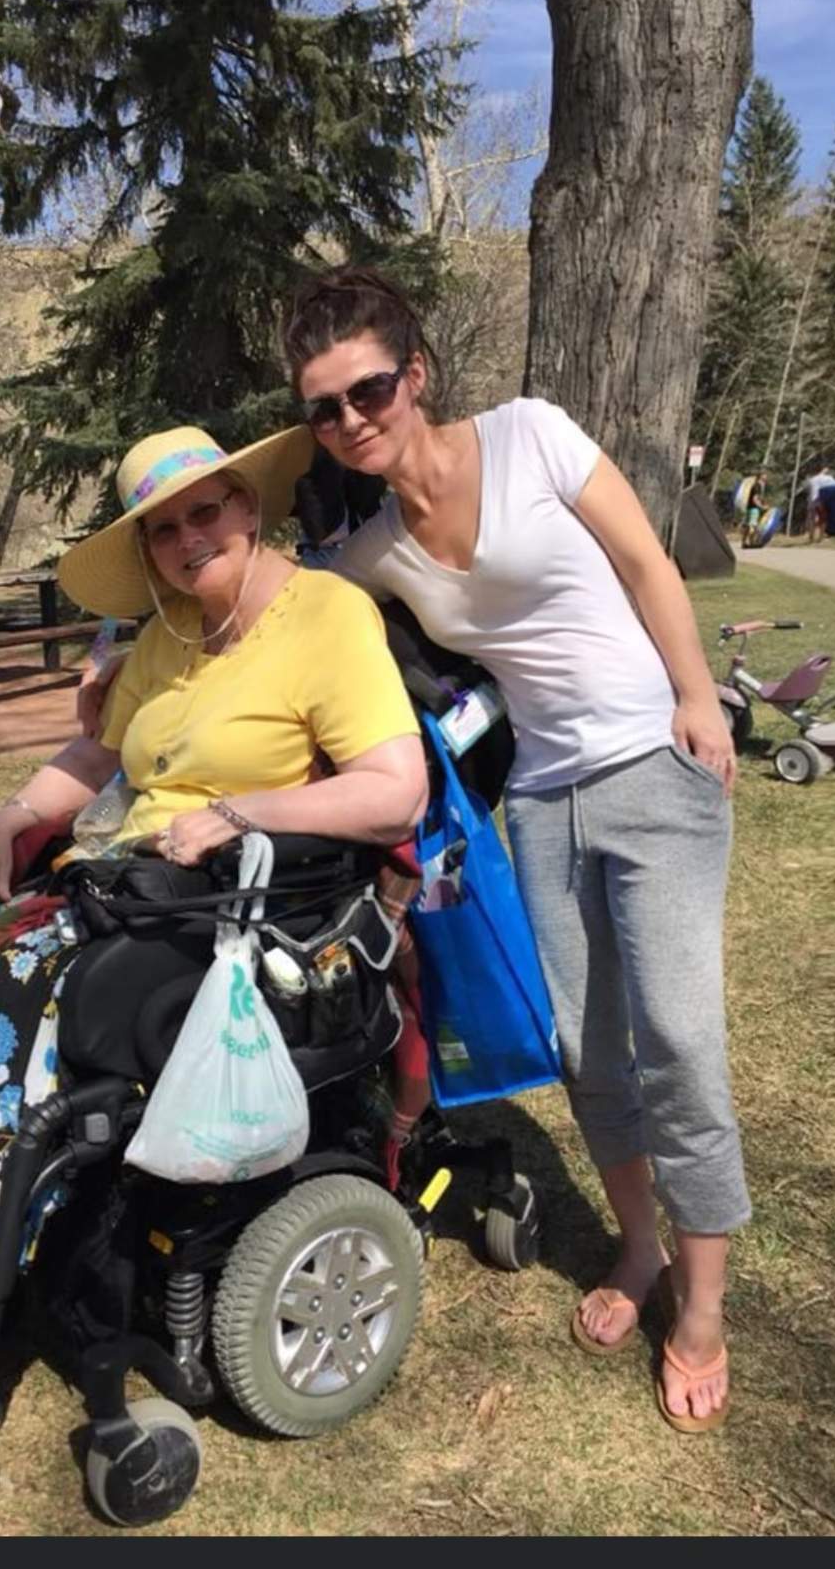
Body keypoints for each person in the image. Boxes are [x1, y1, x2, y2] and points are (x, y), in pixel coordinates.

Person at [0, 421, 426, 1420]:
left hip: (248, 920)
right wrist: (7, 821)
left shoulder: (326, 615)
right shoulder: (170, 635)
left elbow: (395, 794)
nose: (188, 539)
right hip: (135, 891)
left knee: (14, 985)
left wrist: (239, 812)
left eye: (205, 511)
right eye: (163, 529)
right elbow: (95, 760)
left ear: (248, 506)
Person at [280, 266, 749, 1435]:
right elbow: (272, 593)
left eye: (368, 389)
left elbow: (649, 563)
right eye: (323, 409)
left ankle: (700, 1309)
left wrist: (697, 697)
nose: (350, 422)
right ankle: (638, 1248)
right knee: (586, 1048)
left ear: (416, 375)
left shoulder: (532, 434)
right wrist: (113, 646)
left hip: (655, 766)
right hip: (539, 804)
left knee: (681, 1042)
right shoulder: (378, 545)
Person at [739, 469, 770, 548]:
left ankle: (744, 543)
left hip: (749, 507)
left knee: (747, 526)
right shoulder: (758, 486)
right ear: (761, 476)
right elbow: (755, 498)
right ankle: (751, 542)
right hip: (754, 509)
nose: (766, 476)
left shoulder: (755, 485)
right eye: (765, 475)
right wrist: (762, 507)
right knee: (753, 525)